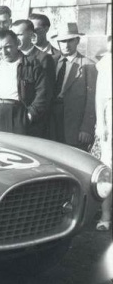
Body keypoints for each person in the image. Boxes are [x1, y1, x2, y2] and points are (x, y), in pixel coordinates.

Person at [0, 30, 48, 135]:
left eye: (8, 47)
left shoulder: (32, 65)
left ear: (17, 44)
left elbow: (43, 93)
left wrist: (30, 115)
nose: (4, 52)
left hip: (17, 114)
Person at [49, 22, 97, 150]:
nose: (66, 45)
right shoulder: (51, 62)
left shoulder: (89, 65)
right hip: (51, 124)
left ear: (77, 40)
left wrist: (86, 128)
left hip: (74, 127)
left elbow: (92, 100)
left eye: (70, 40)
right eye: (63, 41)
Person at [11, 19, 56, 138]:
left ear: (31, 35)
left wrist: (30, 115)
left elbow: (45, 92)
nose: (15, 38)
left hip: (32, 121)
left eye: (19, 34)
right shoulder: (12, 57)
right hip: (12, 117)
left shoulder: (43, 59)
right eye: (13, 35)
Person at [93, 36, 111, 231]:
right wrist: (101, 123)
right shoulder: (105, 64)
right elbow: (100, 98)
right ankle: (105, 215)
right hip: (110, 114)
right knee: (108, 166)